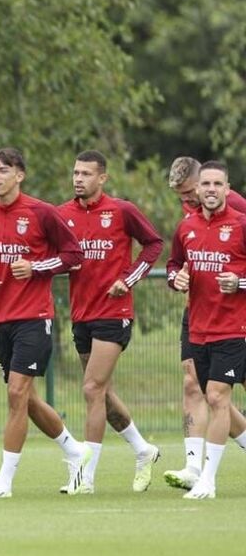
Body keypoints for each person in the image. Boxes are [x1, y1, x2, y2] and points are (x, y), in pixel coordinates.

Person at [0, 148, 88, 498]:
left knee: (17, 393)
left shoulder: (41, 212)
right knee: (27, 399)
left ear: (19, 175)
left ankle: (4, 482)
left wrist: (36, 267)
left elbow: (73, 255)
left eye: (3, 170)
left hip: (34, 317)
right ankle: (75, 451)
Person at [57, 150, 163, 493]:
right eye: (76, 173)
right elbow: (52, 254)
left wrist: (128, 280)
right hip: (81, 314)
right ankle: (143, 449)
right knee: (102, 394)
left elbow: (153, 245)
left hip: (113, 313)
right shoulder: (62, 214)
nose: (79, 179)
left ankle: (85, 478)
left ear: (102, 178)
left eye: (86, 174)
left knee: (91, 389)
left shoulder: (122, 210)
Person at [163, 156, 246, 488]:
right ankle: (194, 469)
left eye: (188, 193)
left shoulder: (239, 215)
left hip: (236, 318)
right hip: (199, 315)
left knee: (218, 394)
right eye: (183, 195)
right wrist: (177, 279)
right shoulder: (188, 221)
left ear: (225, 187)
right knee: (200, 388)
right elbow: (176, 263)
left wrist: (239, 283)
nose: (187, 200)